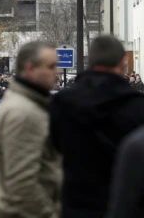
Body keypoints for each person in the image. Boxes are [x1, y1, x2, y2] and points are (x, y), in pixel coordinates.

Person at [50, 35, 144, 218]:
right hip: (123, 206)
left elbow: (53, 151)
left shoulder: (62, 104)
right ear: (123, 63)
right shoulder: (137, 107)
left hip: (74, 206)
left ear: (90, 62)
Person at [0, 41, 61, 218]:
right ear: (30, 69)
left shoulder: (28, 104)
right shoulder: (24, 113)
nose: (57, 72)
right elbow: (21, 183)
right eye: (51, 66)